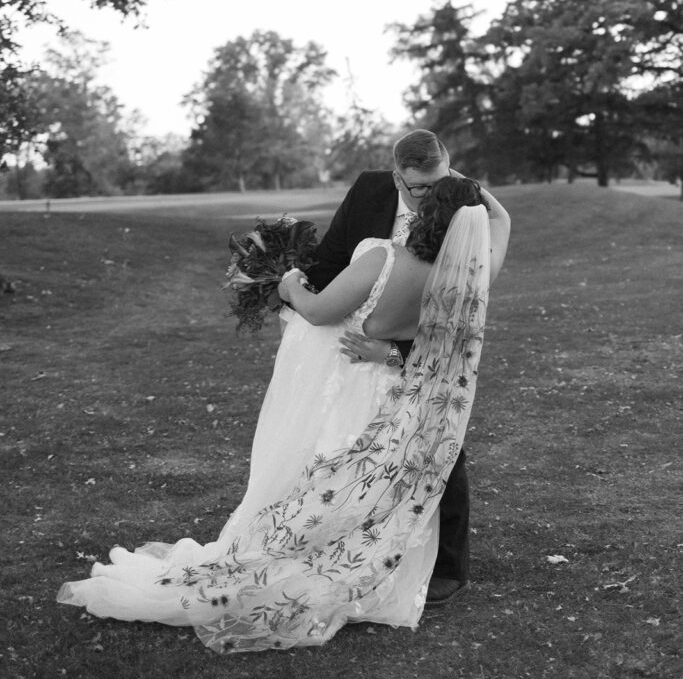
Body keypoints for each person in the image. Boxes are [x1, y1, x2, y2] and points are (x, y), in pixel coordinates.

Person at [57, 176, 508, 654]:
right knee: (381, 486)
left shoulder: (387, 256)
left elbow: (316, 311)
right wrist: (469, 190)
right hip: (407, 394)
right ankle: (377, 565)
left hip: (356, 381)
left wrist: (291, 283)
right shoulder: (474, 270)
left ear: (424, 213)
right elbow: (500, 221)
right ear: (470, 223)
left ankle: (302, 555)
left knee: (330, 469)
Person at [307, 128, 511, 606]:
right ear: (396, 174)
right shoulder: (370, 190)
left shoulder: (467, 230)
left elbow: (452, 339)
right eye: (414, 185)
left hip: (423, 355)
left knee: (442, 451)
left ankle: (447, 567)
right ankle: (348, 546)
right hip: (360, 342)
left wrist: (391, 352)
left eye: (437, 184)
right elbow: (332, 258)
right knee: (353, 448)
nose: (424, 196)